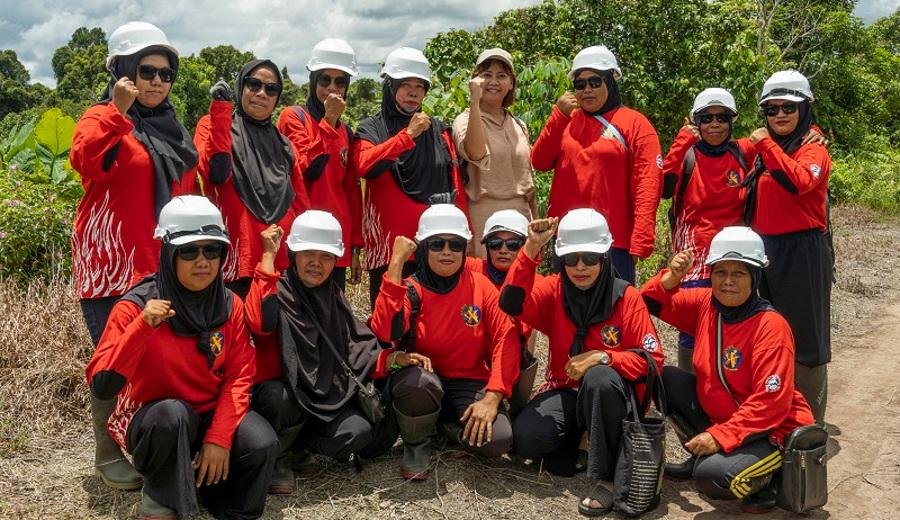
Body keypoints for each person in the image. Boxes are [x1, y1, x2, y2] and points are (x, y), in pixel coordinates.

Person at [85, 196, 278, 520]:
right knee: (173, 415)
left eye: (211, 250)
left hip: (208, 414)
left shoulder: (229, 305)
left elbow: (239, 376)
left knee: (261, 443)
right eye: (189, 251)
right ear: (169, 253)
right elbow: (103, 384)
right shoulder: (135, 307)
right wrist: (142, 327)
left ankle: (215, 494)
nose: (202, 261)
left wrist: (218, 438)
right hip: (155, 420)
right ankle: (163, 493)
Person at [70, 21, 198, 491]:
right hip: (111, 265)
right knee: (114, 356)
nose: (157, 82)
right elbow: (84, 161)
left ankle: (146, 442)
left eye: (166, 74)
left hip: (158, 264)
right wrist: (117, 112)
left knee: (154, 359)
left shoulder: (173, 129)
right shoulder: (101, 117)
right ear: (123, 71)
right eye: (146, 71)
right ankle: (106, 454)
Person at [245, 211, 427, 493]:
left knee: (358, 431)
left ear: (335, 262)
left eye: (326, 256)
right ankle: (278, 457)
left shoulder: (332, 296)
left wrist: (390, 359)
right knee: (278, 398)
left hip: (321, 396)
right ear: (293, 254)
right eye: (308, 253)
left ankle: (299, 449)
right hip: (283, 397)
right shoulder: (275, 289)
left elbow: (352, 349)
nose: (316, 263)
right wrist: (267, 257)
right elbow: (259, 321)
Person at [499, 209, 664, 516]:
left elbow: (652, 361)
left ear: (604, 257)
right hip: (569, 391)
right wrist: (532, 247)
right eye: (571, 259)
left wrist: (604, 357)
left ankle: (609, 478)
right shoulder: (554, 290)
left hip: (614, 397)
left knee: (599, 377)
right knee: (527, 439)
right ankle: (585, 439)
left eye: (590, 257)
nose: (580, 267)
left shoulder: (626, 298)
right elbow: (511, 302)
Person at [640, 226, 815, 513]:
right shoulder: (707, 305)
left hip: (774, 430)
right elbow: (648, 300)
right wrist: (672, 276)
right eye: (720, 272)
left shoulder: (771, 327)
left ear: (755, 277)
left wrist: (719, 436)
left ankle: (769, 478)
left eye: (739, 273)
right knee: (663, 377)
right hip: (728, 417)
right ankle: (705, 455)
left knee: (713, 478)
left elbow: (771, 404)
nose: (728, 282)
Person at [370, 204, 519, 481]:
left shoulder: (481, 286)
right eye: (437, 244)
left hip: (468, 381)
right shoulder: (410, 288)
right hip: (420, 379)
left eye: (455, 245)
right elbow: (385, 330)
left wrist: (493, 396)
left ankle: (448, 424)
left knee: (497, 440)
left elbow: (505, 339)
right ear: (424, 249)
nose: (447, 252)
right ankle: (417, 444)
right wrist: (395, 264)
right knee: (420, 384)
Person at [530, 45, 662, 283]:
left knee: (615, 317)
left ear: (610, 82)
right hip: (568, 242)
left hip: (613, 243)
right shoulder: (566, 120)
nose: (587, 90)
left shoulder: (635, 123)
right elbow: (539, 161)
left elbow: (648, 184)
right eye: (580, 84)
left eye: (595, 82)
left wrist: (640, 242)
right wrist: (557, 116)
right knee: (567, 315)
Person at [743, 70, 832, 425]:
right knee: (763, 332)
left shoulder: (813, 149)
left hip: (803, 250)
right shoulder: (763, 149)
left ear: (805, 109)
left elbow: (800, 182)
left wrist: (765, 144)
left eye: (789, 108)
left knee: (805, 341)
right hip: (763, 250)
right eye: (772, 109)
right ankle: (768, 417)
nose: (780, 115)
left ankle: (808, 429)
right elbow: (722, 145)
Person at [352, 47, 468, 308]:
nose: (414, 92)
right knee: (389, 323)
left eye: (420, 86)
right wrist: (407, 137)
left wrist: (463, 235)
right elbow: (363, 165)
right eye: (405, 85)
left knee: (434, 322)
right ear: (391, 87)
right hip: (390, 251)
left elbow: (455, 183)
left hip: (437, 247)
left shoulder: (439, 130)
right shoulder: (372, 128)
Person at [195, 58, 311, 298]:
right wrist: (221, 113)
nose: (261, 93)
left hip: (280, 261)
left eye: (271, 89)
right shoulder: (212, 124)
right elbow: (216, 172)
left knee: (272, 332)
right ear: (241, 87)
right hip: (235, 259)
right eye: (254, 84)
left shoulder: (284, 144)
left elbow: (300, 204)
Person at [661, 88, 753, 370]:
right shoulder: (687, 155)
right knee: (693, 326)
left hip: (734, 253)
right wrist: (682, 139)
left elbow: (782, 137)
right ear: (696, 121)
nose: (715, 125)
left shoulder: (743, 151)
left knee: (734, 321)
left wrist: (815, 131)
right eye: (707, 118)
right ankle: (689, 392)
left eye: (721, 118)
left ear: (731, 121)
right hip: (695, 253)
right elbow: (663, 187)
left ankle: (727, 385)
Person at [277, 39, 363, 291]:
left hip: (335, 241)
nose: (332, 88)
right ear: (314, 80)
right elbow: (306, 170)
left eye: (340, 82)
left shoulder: (347, 133)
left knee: (333, 317)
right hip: (303, 238)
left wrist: (355, 247)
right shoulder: (294, 117)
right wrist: (329, 120)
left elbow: (351, 192)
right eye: (325, 80)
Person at [452, 48, 535, 257]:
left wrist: (535, 223)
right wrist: (474, 101)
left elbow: (529, 179)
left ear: (511, 83)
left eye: (502, 76)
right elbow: (476, 152)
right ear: (475, 80)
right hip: (483, 215)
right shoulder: (465, 120)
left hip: (521, 214)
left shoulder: (519, 124)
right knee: (486, 282)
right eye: (486, 75)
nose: (494, 82)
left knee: (521, 283)